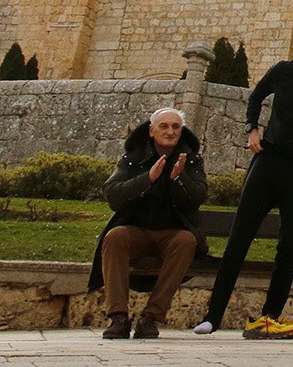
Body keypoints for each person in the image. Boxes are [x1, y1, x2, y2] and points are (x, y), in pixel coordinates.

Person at [193, 22, 293, 337]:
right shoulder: (282, 72)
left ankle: (269, 317)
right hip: (269, 162)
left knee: (289, 244)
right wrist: (252, 128)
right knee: (240, 237)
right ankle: (213, 316)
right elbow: (255, 98)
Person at [89, 106, 208, 339]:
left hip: (172, 233)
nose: (170, 132)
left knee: (186, 241)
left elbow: (197, 198)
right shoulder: (133, 158)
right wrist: (148, 178)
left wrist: (178, 179)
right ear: (152, 131)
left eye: (176, 127)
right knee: (115, 237)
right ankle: (118, 317)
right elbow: (113, 194)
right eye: (164, 126)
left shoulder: (190, 160)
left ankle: (151, 317)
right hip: (137, 231)